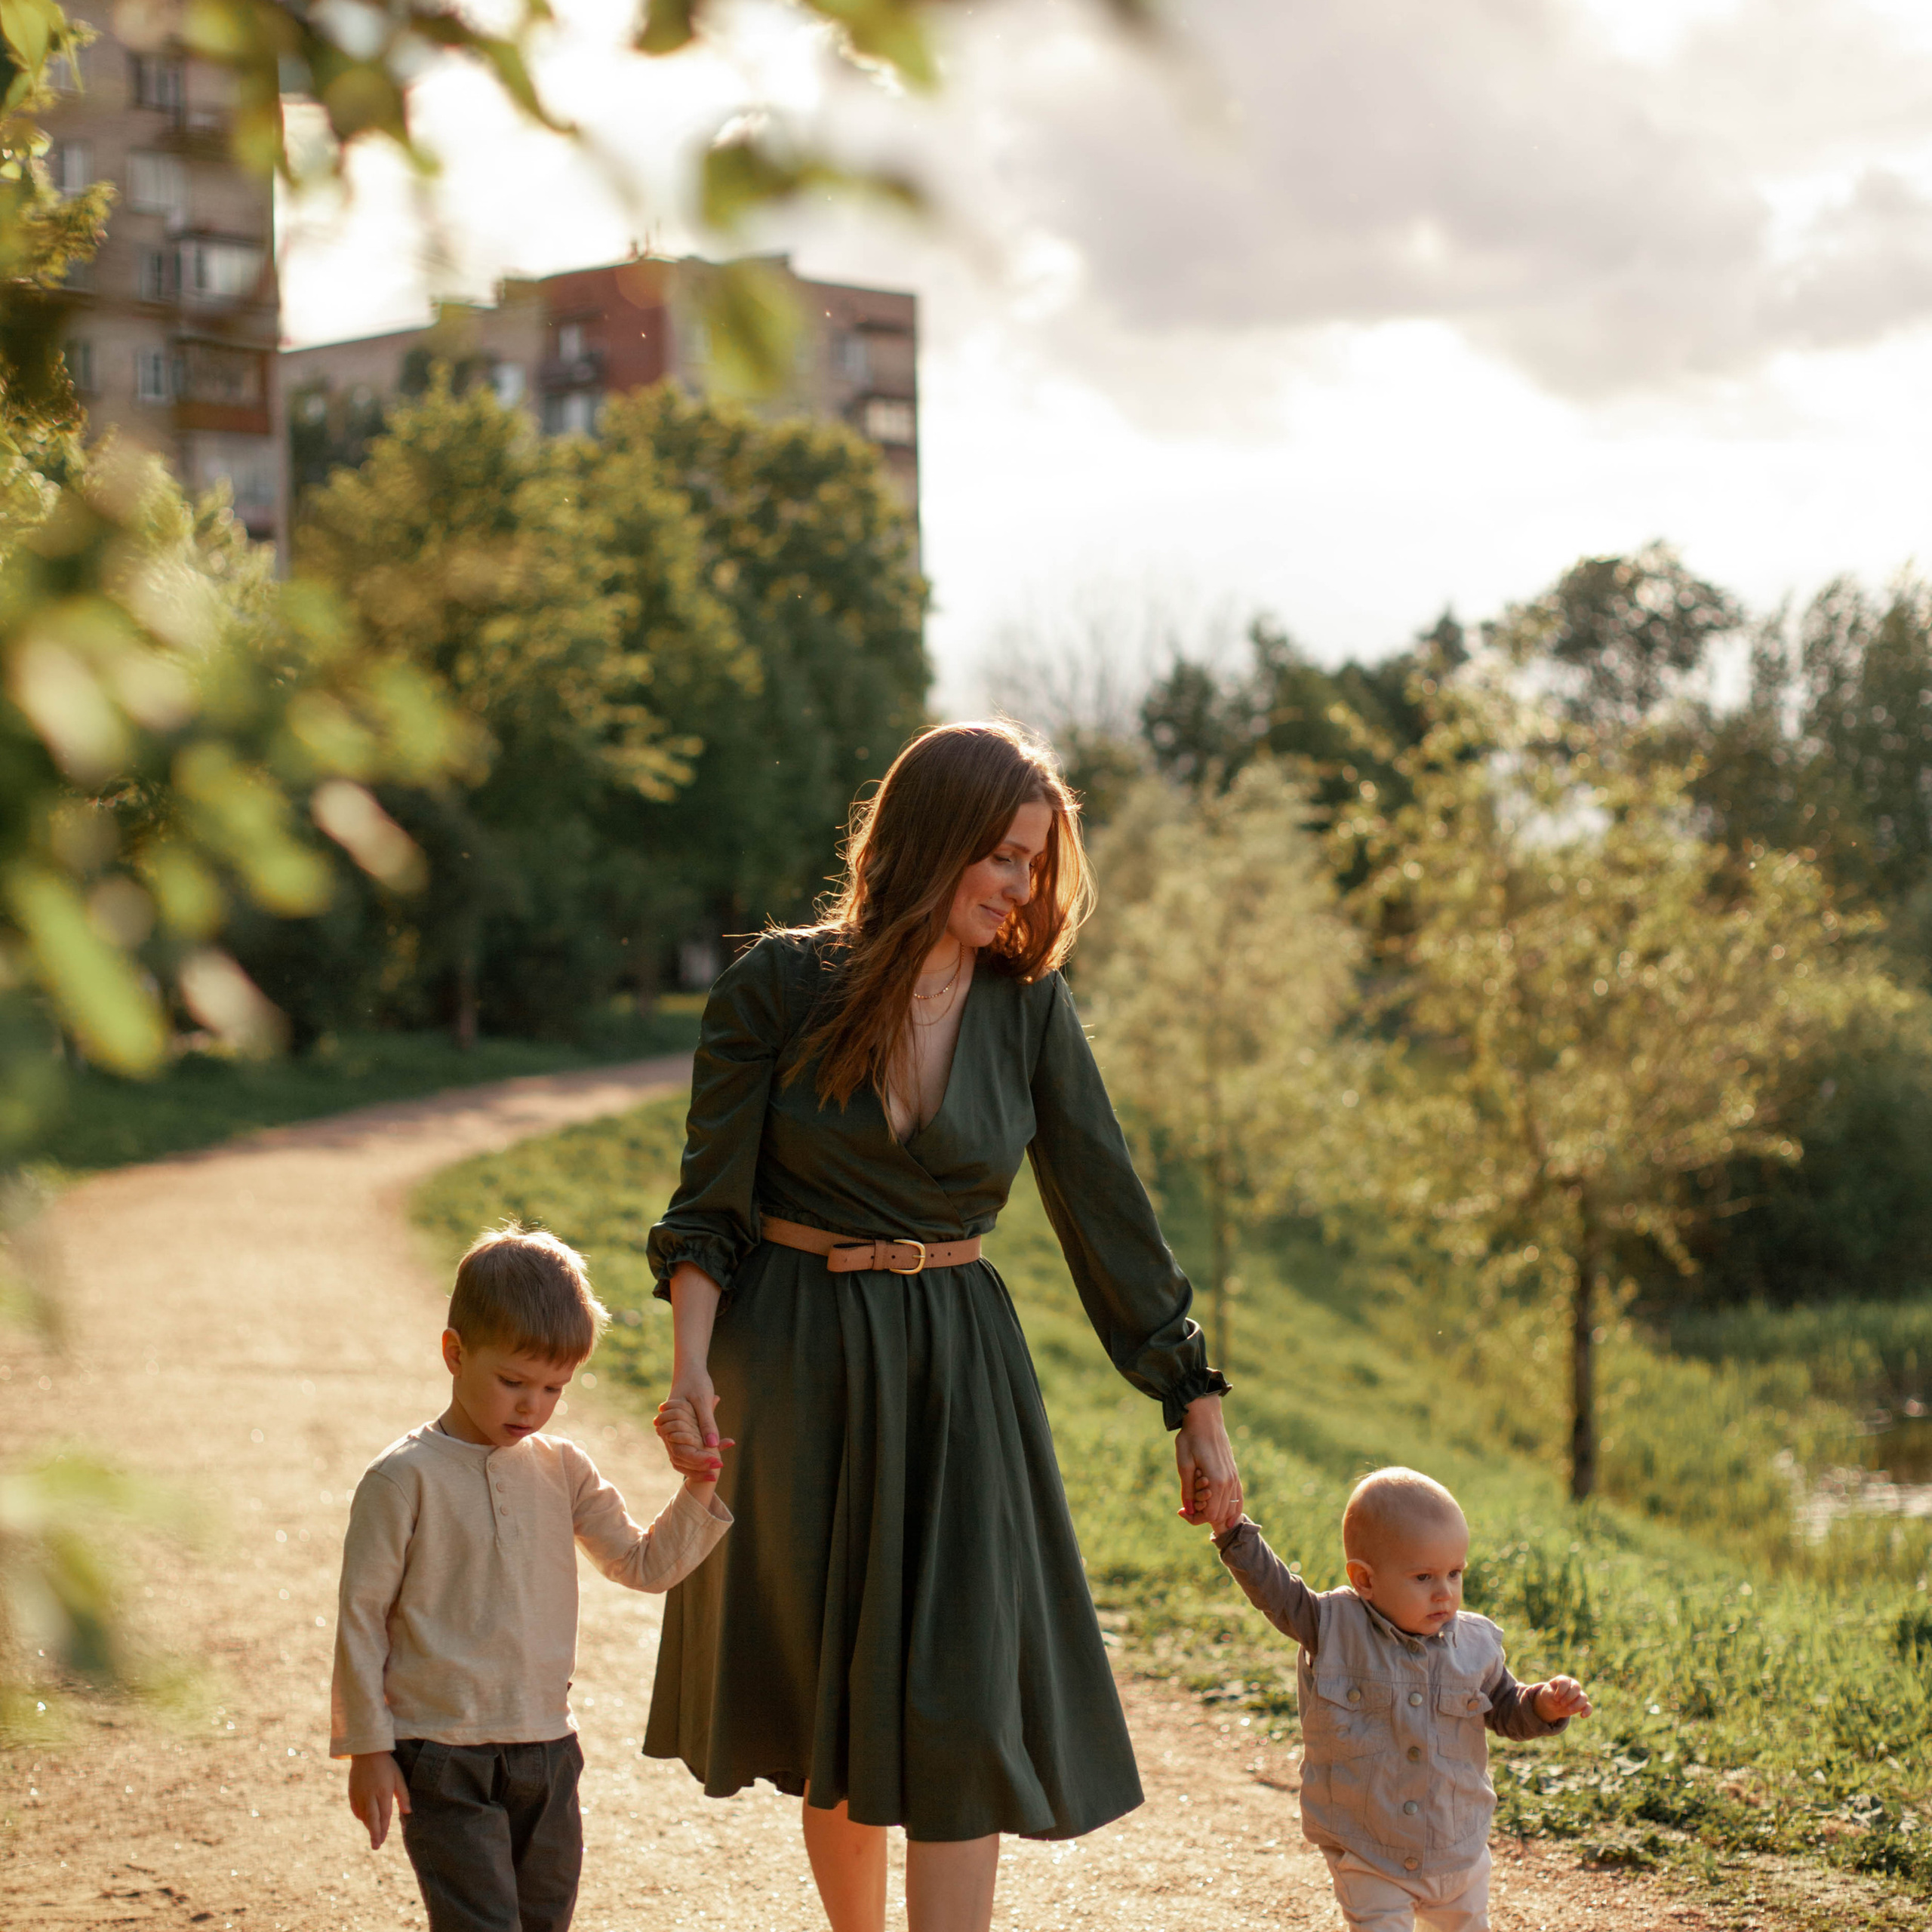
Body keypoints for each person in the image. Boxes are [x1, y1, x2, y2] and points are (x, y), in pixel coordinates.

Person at [644, 719, 1242, 1932]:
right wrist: (691, 1371)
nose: (1021, 888)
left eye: (1034, 863)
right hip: (798, 1357)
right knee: (838, 1709)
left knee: (961, 1706)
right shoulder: (777, 987)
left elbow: (1106, 1209)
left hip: (958, 1368)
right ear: (934, 841)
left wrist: (1194, 1399)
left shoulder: (1028, 1009)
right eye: (1004, 856)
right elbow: (708, 1208)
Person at [330, 1227, 731, 1932]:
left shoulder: (563, 1468)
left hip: (548, 1750)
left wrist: (698, 1486)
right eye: (512, 1381)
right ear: (455, 1353)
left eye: (554, 1388)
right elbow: (361, 1619)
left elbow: (644, 1565)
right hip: (440, 1754)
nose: (532, 1406)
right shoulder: (402, 1479)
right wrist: (369, 1747)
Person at [1212, 1466, 1592, 1932]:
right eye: (1424, 1577)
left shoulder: (1476, 1646)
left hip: (1457, 1847)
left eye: (1455, 1573)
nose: (1445, 1593)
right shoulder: (1332, 1627)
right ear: (1365, 1580)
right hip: (1367, 1848)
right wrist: (1232, 1531)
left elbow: (1509, 1708)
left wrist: (1544, 1706)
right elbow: (1276, 1592)